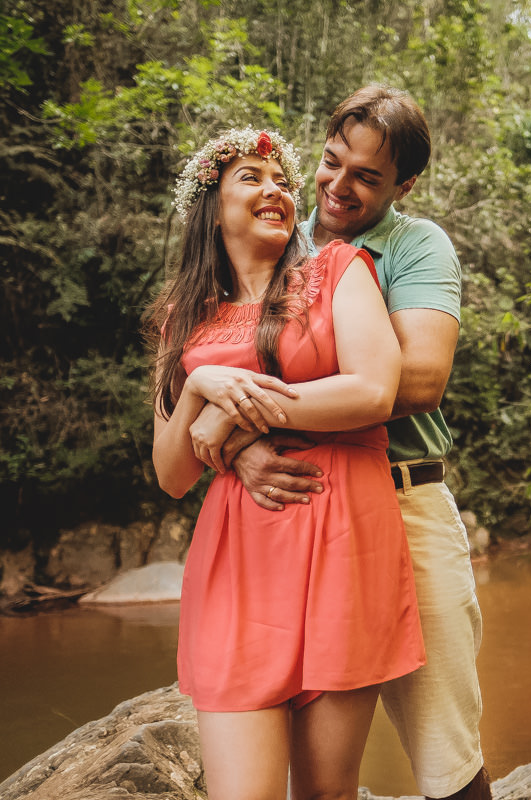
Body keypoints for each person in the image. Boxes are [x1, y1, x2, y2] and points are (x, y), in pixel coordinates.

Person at [189, 86, 489, 799]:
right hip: (291, 516)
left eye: (366, 177)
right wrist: (232, 441)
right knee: (307, 760)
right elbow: (213, 364)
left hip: (401, 498)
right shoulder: (276, 240)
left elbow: (416, 379)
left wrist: (240, 418)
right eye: (330, 163)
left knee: (445, 746)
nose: (338, 187)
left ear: (404, 185)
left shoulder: (415, 245)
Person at [149, 125, 426, 800]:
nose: (275, 190)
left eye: (282, 181)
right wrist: (203, 390)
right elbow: (172, 473)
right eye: (251, 177)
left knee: (328, 793)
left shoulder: (337, 271)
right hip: (239, 559)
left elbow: (372, 389)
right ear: (211, 206)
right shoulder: (181, 318)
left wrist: (239, 414)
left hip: (341, 538)